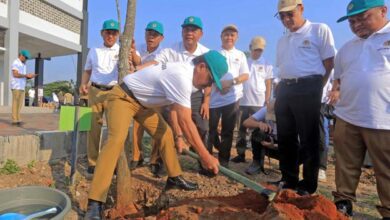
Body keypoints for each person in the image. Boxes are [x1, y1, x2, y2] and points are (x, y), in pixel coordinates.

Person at [85, 50, 227, 219]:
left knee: (165, 133)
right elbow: (186, 121)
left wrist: (179, 137)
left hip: (143, 105)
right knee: (116, 141)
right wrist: (205, 156)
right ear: (201, 67)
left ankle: (174, 177)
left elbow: (175, 109)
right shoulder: (181, 75)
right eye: (210, 80)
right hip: (123, 98)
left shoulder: (189, 78)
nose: (208, 85)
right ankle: (95, 203)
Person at [328, 0, 390, 218]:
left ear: (383, 11)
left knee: (386, 169)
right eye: (352, 21)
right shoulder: (346, 49)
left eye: (363, 17)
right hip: (348, 116)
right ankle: (343, 203)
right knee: (345, 164)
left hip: (383, 119)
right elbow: (338, 82)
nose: (357, 24)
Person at [274, 0, 336, 195]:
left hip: (309, 86)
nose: (286, 19)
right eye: (281, 16)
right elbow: (282, 67)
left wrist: (318, 87)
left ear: (301, 8)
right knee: (285, 137)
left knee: (309, 138)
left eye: (289, 14)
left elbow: (329, 63)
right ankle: (288, 179)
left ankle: (308, 184)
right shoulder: (282, 40)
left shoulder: (319, 30)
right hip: (284, 87)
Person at [141, 16, 211, 175]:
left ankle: (203, 162)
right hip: (171, 95)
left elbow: (209, 80)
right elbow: (156, 63)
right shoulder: (171, 51)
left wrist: (206, 101)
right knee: (167, 128)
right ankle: (162, 163)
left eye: (193, 30)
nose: (189, 33)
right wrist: (139, 67)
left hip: (195, 95)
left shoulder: (206, 53)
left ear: (201, 34)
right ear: (182, 32)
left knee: (202, 126)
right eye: (186, 29)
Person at [79, 19, 121, 174]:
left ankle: (113, 162)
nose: (110, 35)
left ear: (117, 35)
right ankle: (93, 161)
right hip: (95, 91)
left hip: (114, 92)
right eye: (107, 32)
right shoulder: (94, 50)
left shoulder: (121, 51)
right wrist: (83, 84)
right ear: (102, 33)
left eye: (114, 33)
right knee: (94, 128)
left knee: (114, 129)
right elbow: (88, 70)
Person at [208, 25, 249, 167]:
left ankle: (223, 161)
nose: (229, 37)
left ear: (236, 38)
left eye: (232, 35)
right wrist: (220, 85)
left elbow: (245, 75)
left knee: (228, 131)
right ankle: (207, 160)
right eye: (226, 34)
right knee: (210, 130)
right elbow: (207, 73)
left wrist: (231, 82)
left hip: (232, 99)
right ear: (221, 37)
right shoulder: (213, 53)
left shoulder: (241, 55)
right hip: (214, 100)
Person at [130, 21, 165, 172]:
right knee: (137, 128)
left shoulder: (164, 52)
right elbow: (136, 59)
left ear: (161, 38)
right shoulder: (141, 50)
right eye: (149, 33)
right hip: (139, 95)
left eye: (155, 35)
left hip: (156, 95)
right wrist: (132, 50)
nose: (151, 37)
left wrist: (138, 66)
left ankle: (154, 160)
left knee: (156, 128)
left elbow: (154, 64)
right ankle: (137, 157)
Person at [232, 36, 273, 163]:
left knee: (258, 130)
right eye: (256, 49)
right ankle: (241, 154)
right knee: (242, 130)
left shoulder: (266, 63)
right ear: (250, 48)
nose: (258, 52)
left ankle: (258, 157)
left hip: (259, 102)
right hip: (244, 100)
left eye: (260, 50)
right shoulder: (244, 61)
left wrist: (267, 99)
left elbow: (268, 83)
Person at [242, 101, 277, 175]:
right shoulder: (268, 108)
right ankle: (257, 163)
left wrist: (274, 146)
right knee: (258, 132)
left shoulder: (293, 111)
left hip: (285, 147)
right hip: (268, 144)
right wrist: (259, 124)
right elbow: (246, 122)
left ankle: (289, 170)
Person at [10, 50, 37, 125]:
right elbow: (15, 74)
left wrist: (29, 76)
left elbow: (23, 76)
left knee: (20, 104)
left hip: (22, 87)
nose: (26, 59)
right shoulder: (16, 62)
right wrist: (26, 75)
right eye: (26, 57)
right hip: (16, 86)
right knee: (15, 103)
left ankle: (18, 118)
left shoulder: (24, 65)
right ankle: (14, 120)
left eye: (27, 58)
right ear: (21, 55)